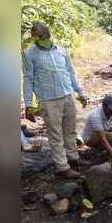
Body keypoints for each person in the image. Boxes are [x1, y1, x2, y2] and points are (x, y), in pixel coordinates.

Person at [22, 22, 88, 179]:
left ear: (48, 35)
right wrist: (29, 105)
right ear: (35, 38)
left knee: (70, 131)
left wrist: (80, 93)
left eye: (45, 36)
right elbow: (28, 79)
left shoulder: (62, 51)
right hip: (48, 100)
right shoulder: (29, 54)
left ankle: (73, 159)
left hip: (68, 95)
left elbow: (71, 73)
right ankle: (62, 167)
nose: (44, 39)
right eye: (40, 37)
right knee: (56, 135)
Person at [82, 94, 112, 163]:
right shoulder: (95, 115)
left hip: (104, 130)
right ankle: (100, 150)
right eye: (110, 108)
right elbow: (103, 138)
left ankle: (111, 146)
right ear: (104, 105)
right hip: (90, 138)